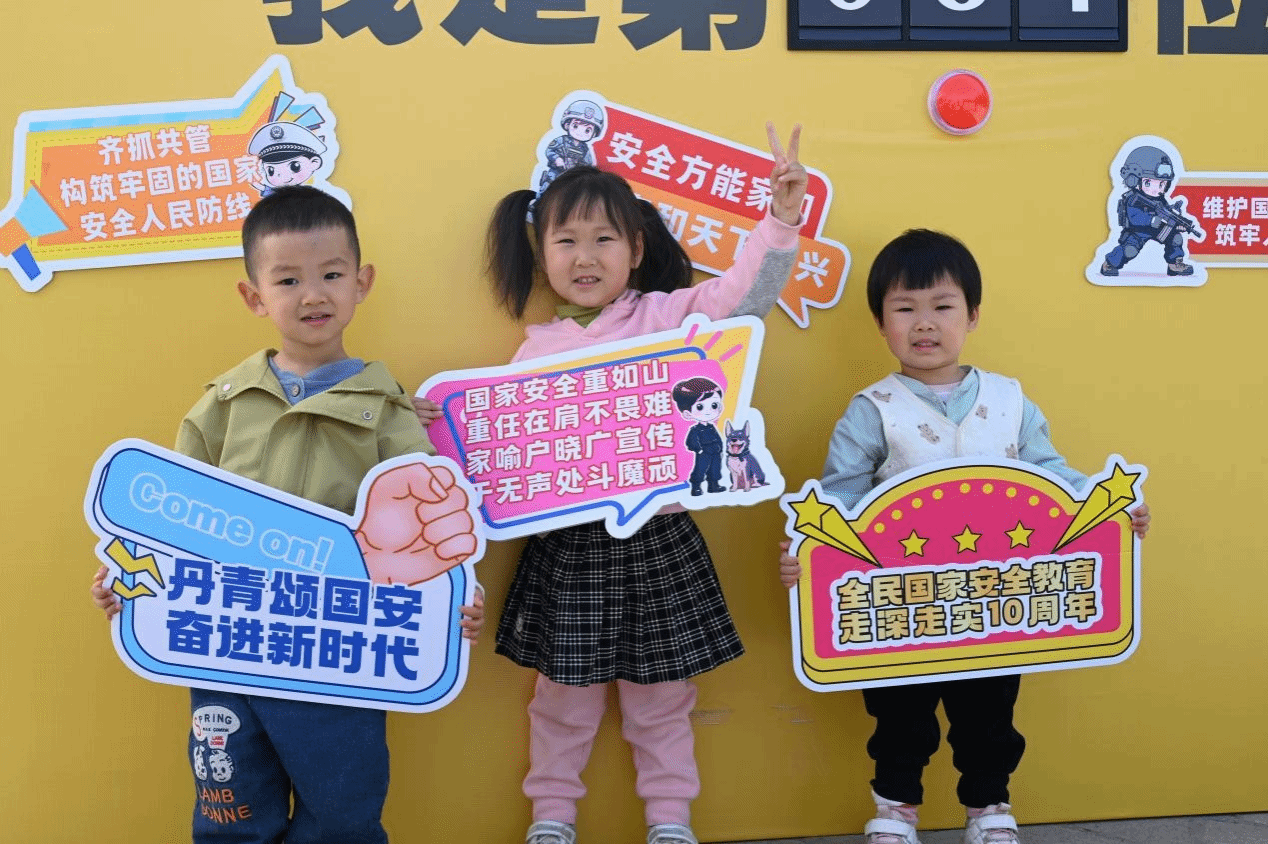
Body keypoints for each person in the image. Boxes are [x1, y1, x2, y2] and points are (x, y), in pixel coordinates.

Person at [419, 123, 806, 844]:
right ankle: (552, 817)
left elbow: (741, 300)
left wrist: (780, 222)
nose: (585, 256)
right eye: (566, 240)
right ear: (541, 255)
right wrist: (437, 427)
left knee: (663, 697)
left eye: (604, 239)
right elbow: (498, 466)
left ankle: (670, 820)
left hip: (658, 539)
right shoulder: (532, 354)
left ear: (636, 248)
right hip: (569, 548)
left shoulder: (666, 317)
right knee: (561, 699)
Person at [90, 185, 484, 844]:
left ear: (362, 283)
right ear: (254, 296)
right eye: (288, 280)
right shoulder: (222, 405)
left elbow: (432, 535)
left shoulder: (388, 413)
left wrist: (456, 600)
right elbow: (163, 521)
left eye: (331, 275)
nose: (312, 295)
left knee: (343, 815)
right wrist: (127, 578)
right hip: (224, 648)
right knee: (231, 809)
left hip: (341, 656)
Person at [779, 228, 1151, 844]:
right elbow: (837, 501)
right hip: (899, 605)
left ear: (972, 315)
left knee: (990, 714)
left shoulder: (1010, 400)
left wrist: (1110, 508)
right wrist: (806, 555)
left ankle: (989, 807)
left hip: (995, 599)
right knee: (899, 716)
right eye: (905, 308)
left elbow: (1051, 472)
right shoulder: (872, 409)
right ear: (881, 323)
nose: (925, 323)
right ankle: (895, 808)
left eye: (943, 306)